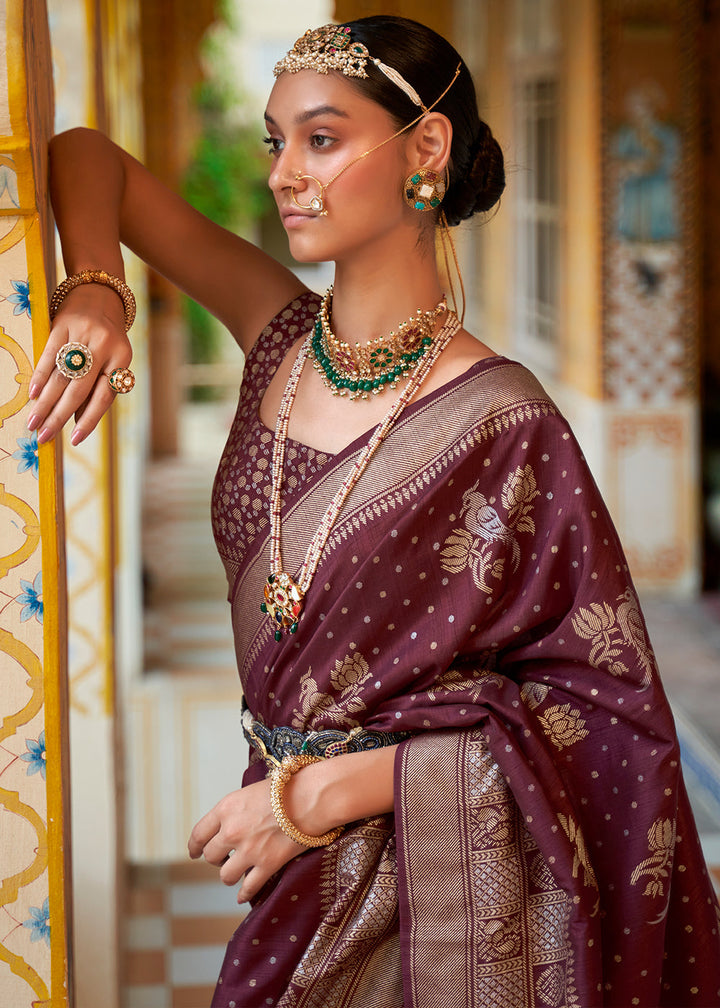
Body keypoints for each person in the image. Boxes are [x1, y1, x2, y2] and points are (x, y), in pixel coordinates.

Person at [31, 15, 720, 1008]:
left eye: (322, 138)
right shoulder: (276, 334)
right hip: (287, 872)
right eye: (277, 141)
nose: (282, 173)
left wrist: (319, 794)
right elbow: (82, 154)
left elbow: (599, 717)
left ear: (425, 150)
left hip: (438, 899)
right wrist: (98, 291)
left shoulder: (505, 423)